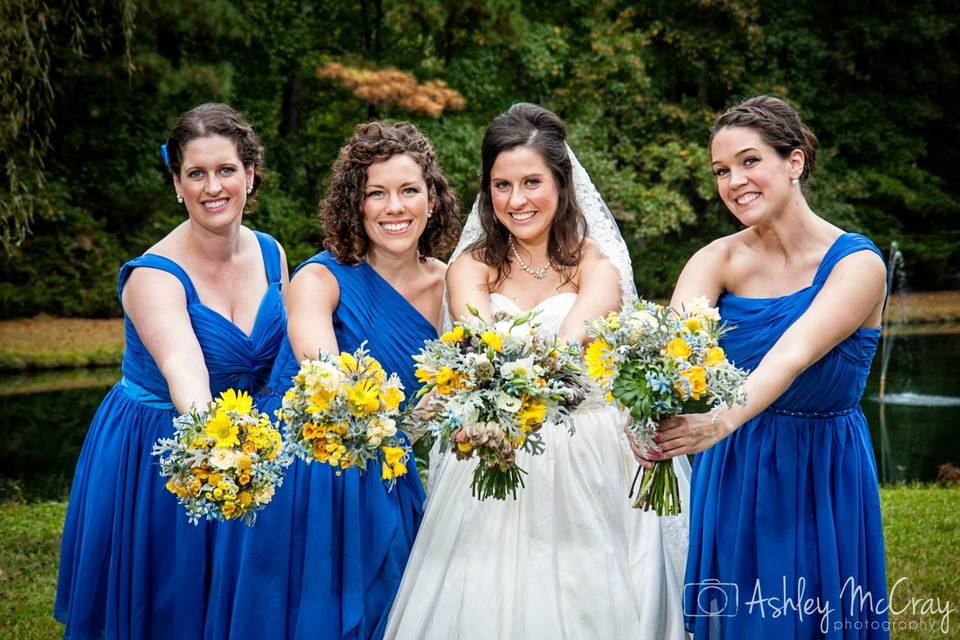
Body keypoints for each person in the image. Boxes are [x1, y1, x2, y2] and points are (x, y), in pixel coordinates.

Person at [384, 103, 689, 640]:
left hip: (587, 451)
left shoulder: (596, 265)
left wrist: (509, 381)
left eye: (531, 182)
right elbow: (476, 342)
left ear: (561, 183)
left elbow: (566, 352)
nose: (516, 200)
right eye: (502, 185)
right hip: (492, 447)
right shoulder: (471, 267)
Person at [641, 95, 889, 638]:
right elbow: (669, 353)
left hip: (821, 470)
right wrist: (646, 417)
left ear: (794, 162)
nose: (735, 181)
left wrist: (721, 418)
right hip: (734, 469)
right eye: (722, 171)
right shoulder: (717, 260)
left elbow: (792, 355)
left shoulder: (859, 264)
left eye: (750, 161)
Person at [204, 121, 460, 640]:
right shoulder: (318, 279)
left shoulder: (449, 282)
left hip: (387, 474)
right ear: (355, 204)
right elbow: (324, 372)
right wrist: (405, 417)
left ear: (431, 199)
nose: (394, 207)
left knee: (390, 611)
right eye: (377, 193)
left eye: (409, 190)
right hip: (307, 478)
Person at [54, 103, 288, 639]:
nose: (214, 187)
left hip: (250, 431)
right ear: (177, 185)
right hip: (164, 443)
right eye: (196, 174)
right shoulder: (153, 276)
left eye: (226, 170)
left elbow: (289, 358)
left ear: (250, 176)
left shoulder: (273, 254)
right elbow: (186, 371)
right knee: (170, 601)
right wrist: (223, 449)